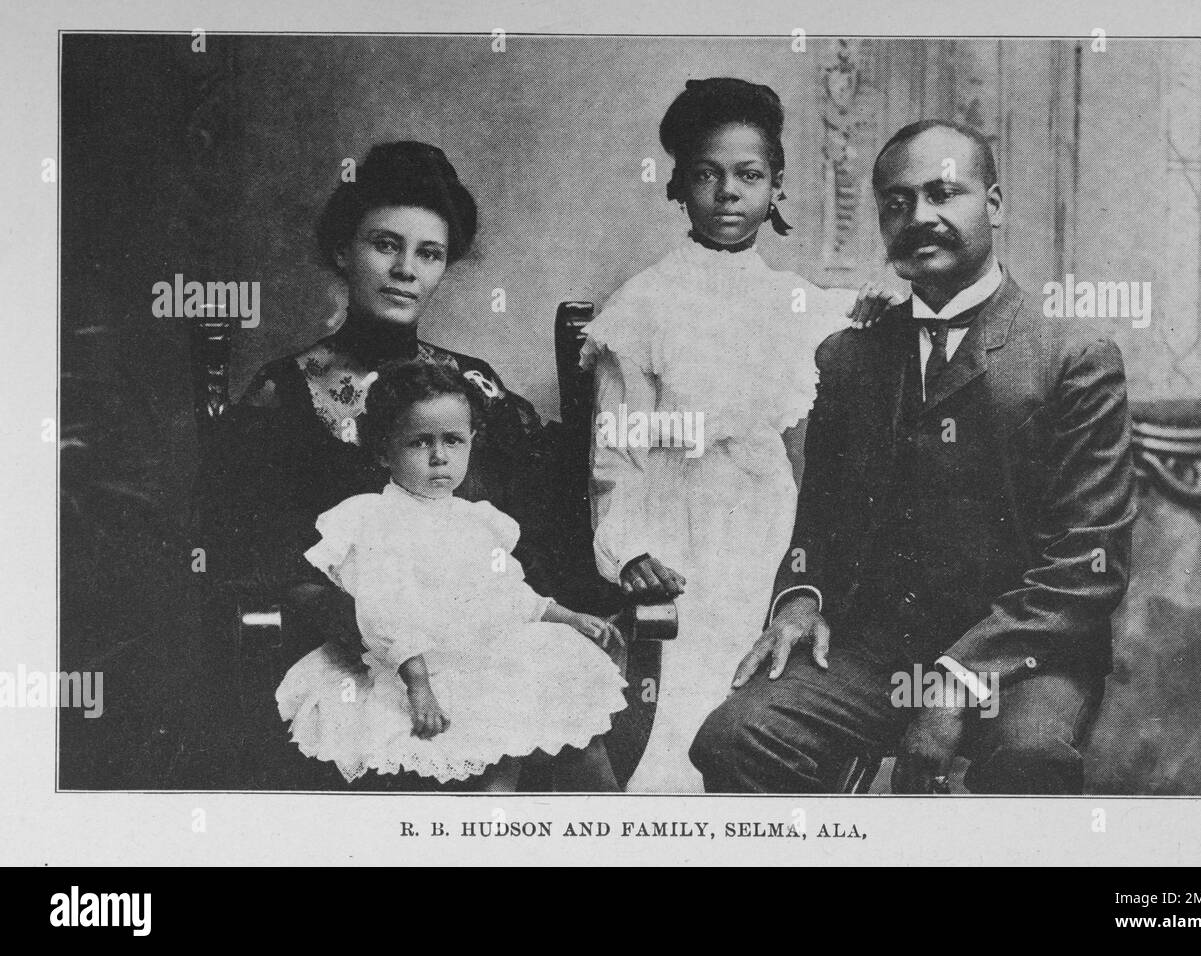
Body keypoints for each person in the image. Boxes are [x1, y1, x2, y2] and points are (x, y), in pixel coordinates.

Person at [690, 119, 1138, 794]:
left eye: (943, 194)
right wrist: (800, 601)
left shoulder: (1072, 356)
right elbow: (820, 526)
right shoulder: (849, 358)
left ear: (993, 204)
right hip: (880, 653)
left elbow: (1087, 566)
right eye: (897, 203)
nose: (918, 217)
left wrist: (958, 682)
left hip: (1026, 655)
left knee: (1031, 763)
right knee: (734, 739)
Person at [581, 78, 883, 791]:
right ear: (677, 187)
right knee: (689, 709)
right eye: (706, 174)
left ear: (775, 188)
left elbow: (861, 328)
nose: (727, 192)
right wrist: (632, 552)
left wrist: (883, 312)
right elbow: (615, 454)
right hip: (680, 525)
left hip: (770, 527)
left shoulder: (793, 301)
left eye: (749, 176)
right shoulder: (644, 304)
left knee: (773, 688)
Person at [195, 140, 560, 659]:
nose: (406, 269)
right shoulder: (284, 393)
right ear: (344, 252)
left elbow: (530, 538)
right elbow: (256, 559)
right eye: (386, 245)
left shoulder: (472, 385)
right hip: (339, 651)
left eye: (429, 253)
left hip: (474, 646)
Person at [276, 360, 626, 790]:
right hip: (416, 666)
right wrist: (418, 683)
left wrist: (567, 616)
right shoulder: (373, 520)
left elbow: (504, 592)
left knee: (568, 716)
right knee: (486, 746)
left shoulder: (478, 521)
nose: (440, 456)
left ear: (471, 444)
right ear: (385, 451)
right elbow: (381, 610)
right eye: (420, 442)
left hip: (485, 652)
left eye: (453, 441)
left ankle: (607, 826)